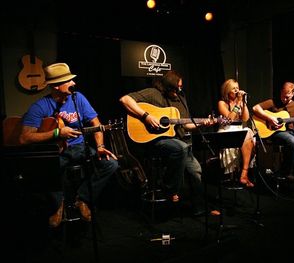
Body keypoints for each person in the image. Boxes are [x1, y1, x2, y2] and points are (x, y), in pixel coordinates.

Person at [19, 62, 119, 227]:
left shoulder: (78, 98)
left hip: (79, 147)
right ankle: (58, 204)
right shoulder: (39, 107)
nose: (73, 83)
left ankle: (83, 199)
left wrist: (100, 147)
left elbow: (96, 123)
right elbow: (24, 138)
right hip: (55, 151)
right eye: (68, 81)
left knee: (111, 164)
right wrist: (57, 133)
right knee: (44, 171)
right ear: (57, 86)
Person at [119, 70, 217, 216]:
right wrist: (145, 116)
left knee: (196, 170)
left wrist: (203, 123)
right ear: (167, 86)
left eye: (180, 87)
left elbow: (185, 124)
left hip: (178, 141)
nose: (179, 90)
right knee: (181, 148)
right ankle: (169, 189)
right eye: (176, 87)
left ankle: (199, 208)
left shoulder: (179, 99)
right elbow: (125, 99)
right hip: (155, 141)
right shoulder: (153, 93)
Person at [252, 81, 294, 180]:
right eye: (283, 96)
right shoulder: (273, 102)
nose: (284, 99)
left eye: (287, 97)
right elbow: (255, 108)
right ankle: (285, 171)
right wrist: (270, 118)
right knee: (292, 141)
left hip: (293, 131)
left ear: (293, 94)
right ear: (281, 92)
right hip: (276, 132)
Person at [217, 79, 255, 187]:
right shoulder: (222, 103)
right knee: (246, 132)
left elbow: (245, 119)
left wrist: (243, 103)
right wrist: (238, 103)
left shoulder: (240, 102)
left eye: (237, 88)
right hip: (226, 129)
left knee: (248, 131)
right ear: (227, 90)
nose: (237, 90)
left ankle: (244, 172)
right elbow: (230, 119)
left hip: (239, 129)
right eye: (234, 88)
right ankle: (243, 174)